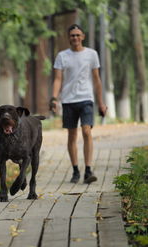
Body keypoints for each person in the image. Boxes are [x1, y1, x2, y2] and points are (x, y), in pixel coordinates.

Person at [50, 24, 107, 184]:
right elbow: (58, 79)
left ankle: (88, 170)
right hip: (68, 100)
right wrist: (54, 98)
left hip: (86, 98)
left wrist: (101, 103)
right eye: (72, 35)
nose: (75, 38)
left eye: (77, 35)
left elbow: (96, 80)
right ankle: (75, 170)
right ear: (69, 38)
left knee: (87, 131)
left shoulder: (92, 54)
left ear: (83, 37)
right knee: (72, 135)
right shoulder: (62, 56)